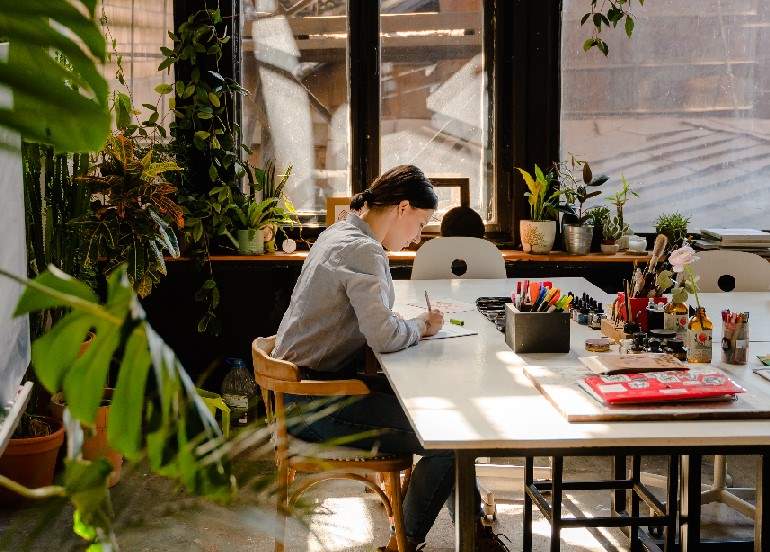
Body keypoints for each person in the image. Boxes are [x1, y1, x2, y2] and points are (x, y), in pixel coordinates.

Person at [273, 165, 509, 551]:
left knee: (448, 417)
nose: (417, 237)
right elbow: (383, 337)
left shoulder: (340, 232)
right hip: (315, 403)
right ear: (402, 208)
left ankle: (475, 533)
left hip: (302, 390)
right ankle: (404, 542)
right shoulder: (363, 250)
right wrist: (421, 327)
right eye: (420, 223)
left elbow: (372, 321)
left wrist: (409, 325)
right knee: (449, 440)